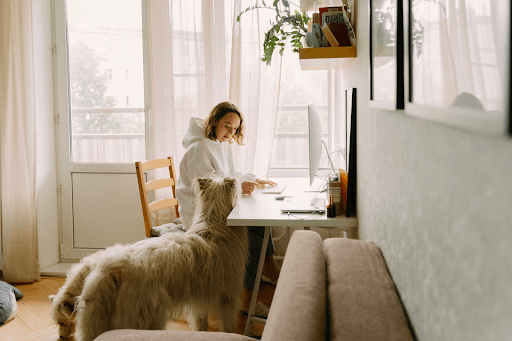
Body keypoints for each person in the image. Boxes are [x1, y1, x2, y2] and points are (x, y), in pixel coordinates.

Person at [176, 101, 281, 318]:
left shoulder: (219, 143)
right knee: (250, 231)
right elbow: (204, 191)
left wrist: (253, 179)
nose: (230, 132)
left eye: (235, 129)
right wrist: (238, 188)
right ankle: (245, 298)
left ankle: (269, 270)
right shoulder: (199, 149)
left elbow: (228, 176)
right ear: (214, 121)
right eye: (227, 126)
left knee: (260, 220)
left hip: (217, 207)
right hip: (200, 215)